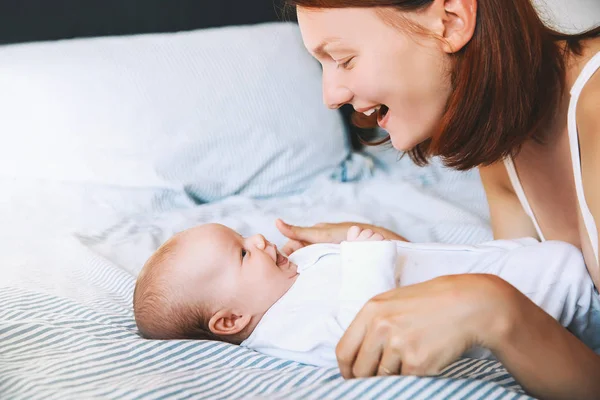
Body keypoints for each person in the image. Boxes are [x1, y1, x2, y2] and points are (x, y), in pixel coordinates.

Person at [274, 1, 600, 398]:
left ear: (450, 22)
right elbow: (539, 301)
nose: (330, 95)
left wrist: (491, 307)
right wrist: (404, 258)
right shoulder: (502, 140)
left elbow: (507, 310)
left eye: (343, 59)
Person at [133, 223, 600, 369]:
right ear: (231, 320)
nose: (257, 240)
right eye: (241, 253)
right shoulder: (285, 329)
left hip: (534, 264)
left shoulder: (282, 289)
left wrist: (317, 254)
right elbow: (360, 332)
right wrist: (362, 258)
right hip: (565, 299)